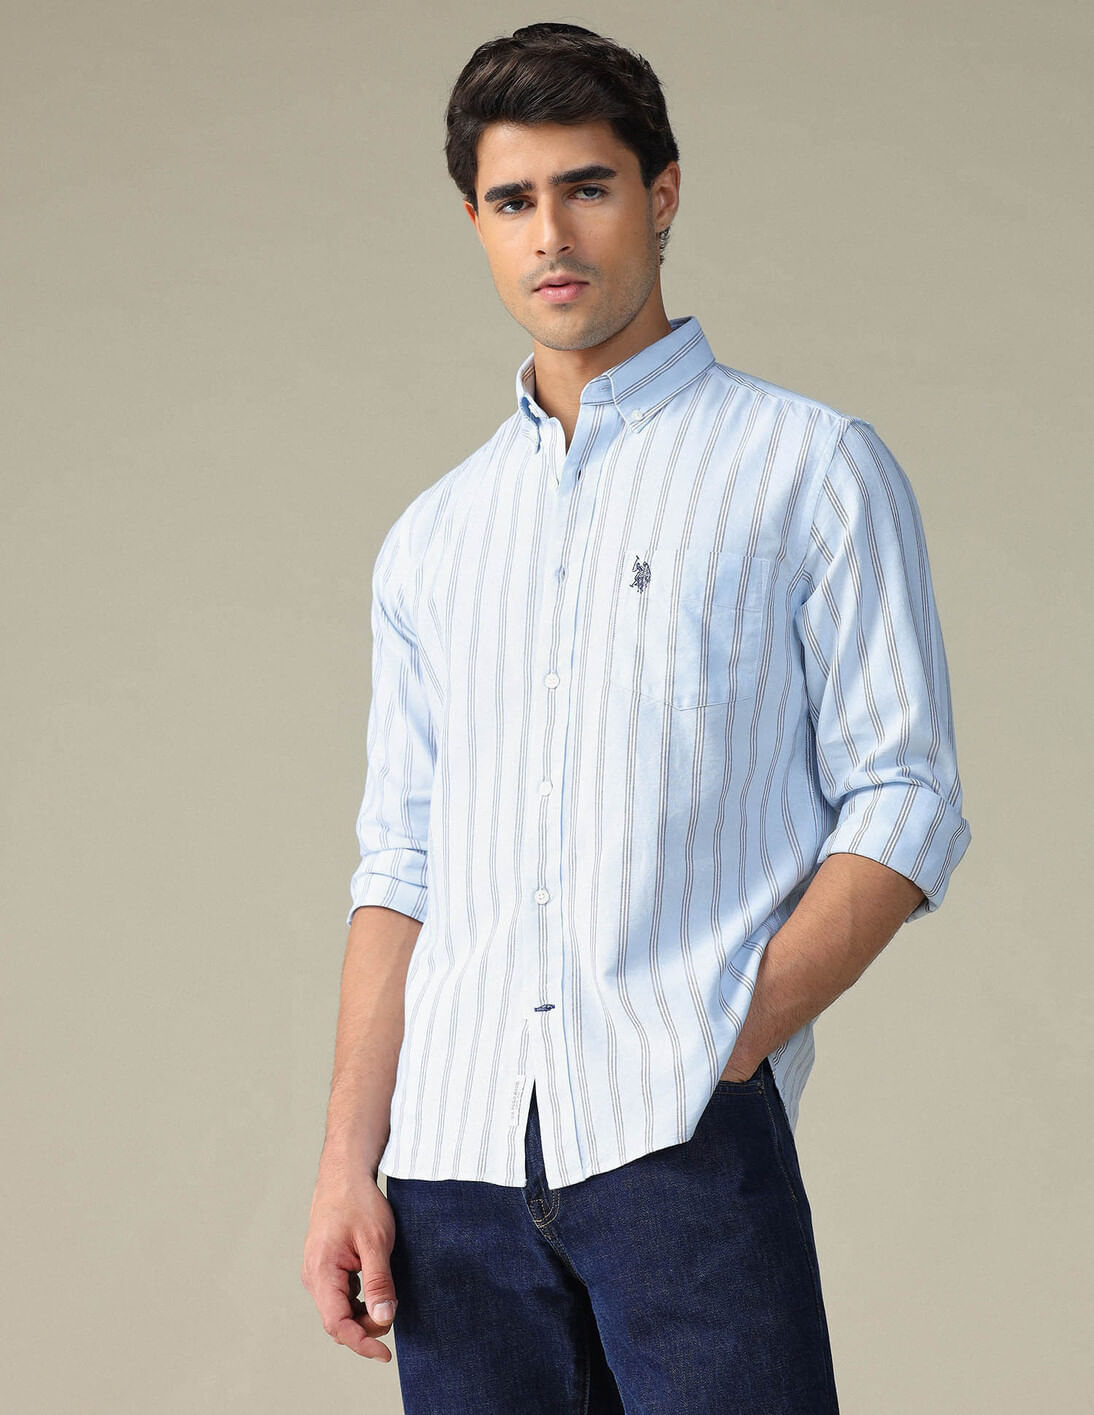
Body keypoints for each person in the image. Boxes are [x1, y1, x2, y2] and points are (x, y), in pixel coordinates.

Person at [301, 21, 972, 1413]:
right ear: (477, 224)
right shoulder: (433, 538)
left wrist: (723, 1040)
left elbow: (905, 796)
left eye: (587, 187)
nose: (550, 234)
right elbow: (399, 868)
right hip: (449, 1174)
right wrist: (345, 1165)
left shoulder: (807, 469)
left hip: (679, 1144)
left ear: (660, 195)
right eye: (511, 200)